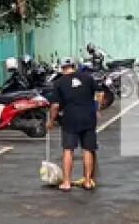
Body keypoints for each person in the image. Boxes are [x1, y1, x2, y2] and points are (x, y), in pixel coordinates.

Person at [47, 57, 98, 192]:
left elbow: (55, 106)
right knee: (87, 149)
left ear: (62, 68)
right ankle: (87, 181)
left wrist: (51, 122)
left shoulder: (59, 82)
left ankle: (67, 183)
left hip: (70, 119)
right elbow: (100, 93)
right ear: (74, 66)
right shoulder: (88, 78)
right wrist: (97, 109)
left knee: (68, 150)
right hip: (89, 117)